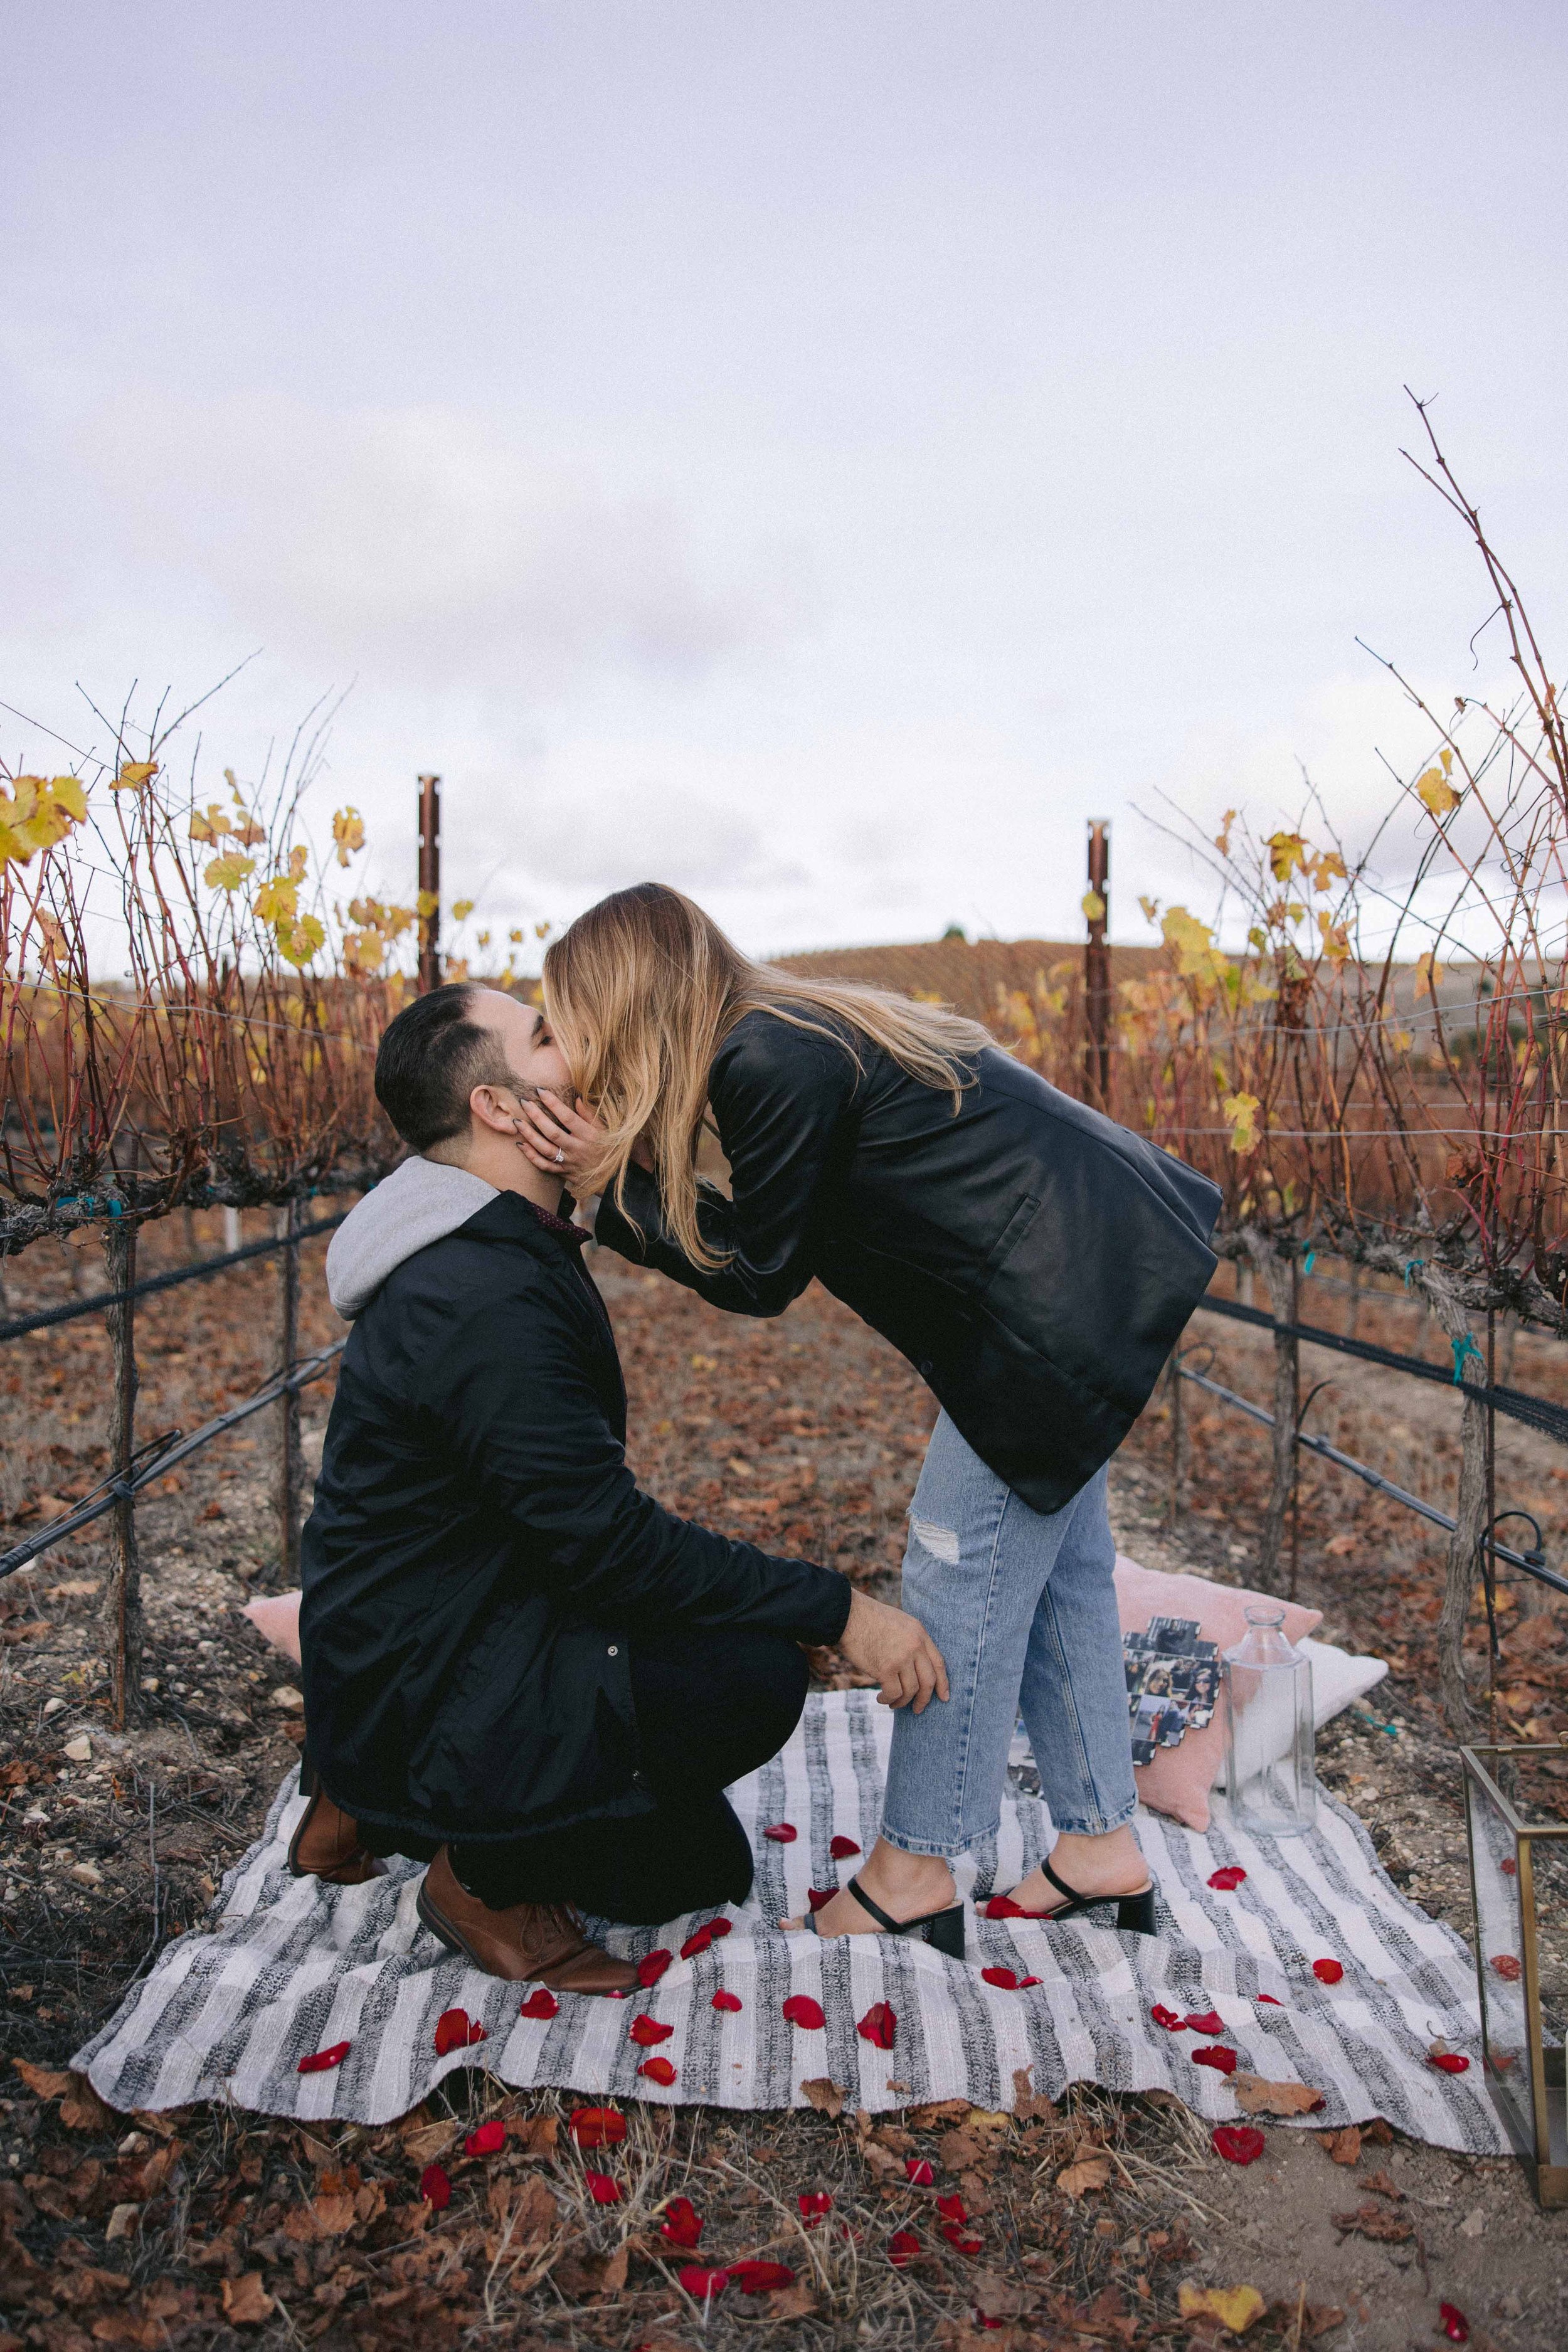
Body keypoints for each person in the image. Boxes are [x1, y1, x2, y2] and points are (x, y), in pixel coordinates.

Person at [516, 884, 1222, 1952]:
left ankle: (915, 1867)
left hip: (1051, 1305)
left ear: (623, 1002)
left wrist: (607, 1196)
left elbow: (760, 1274)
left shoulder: (764, 1060)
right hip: (1077, 1276)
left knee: (954, 1567)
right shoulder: (783, 1031)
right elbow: (766, 1236)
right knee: (1069, 1571)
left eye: (565, 1019)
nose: (562, 1047)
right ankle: (1099, 1850)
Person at [294, 982, 947, 1991]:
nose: (584, 1042)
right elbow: (607, 1542)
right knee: (755, 1676)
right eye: (547, 1036)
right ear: (502, 1110)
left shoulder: (494, 1240)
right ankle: (481, 1878)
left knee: (695, 1869)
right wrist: (838, 1608)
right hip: (429, 1662)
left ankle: (368, 1798)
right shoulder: (479, 1291)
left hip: (450, 1623)